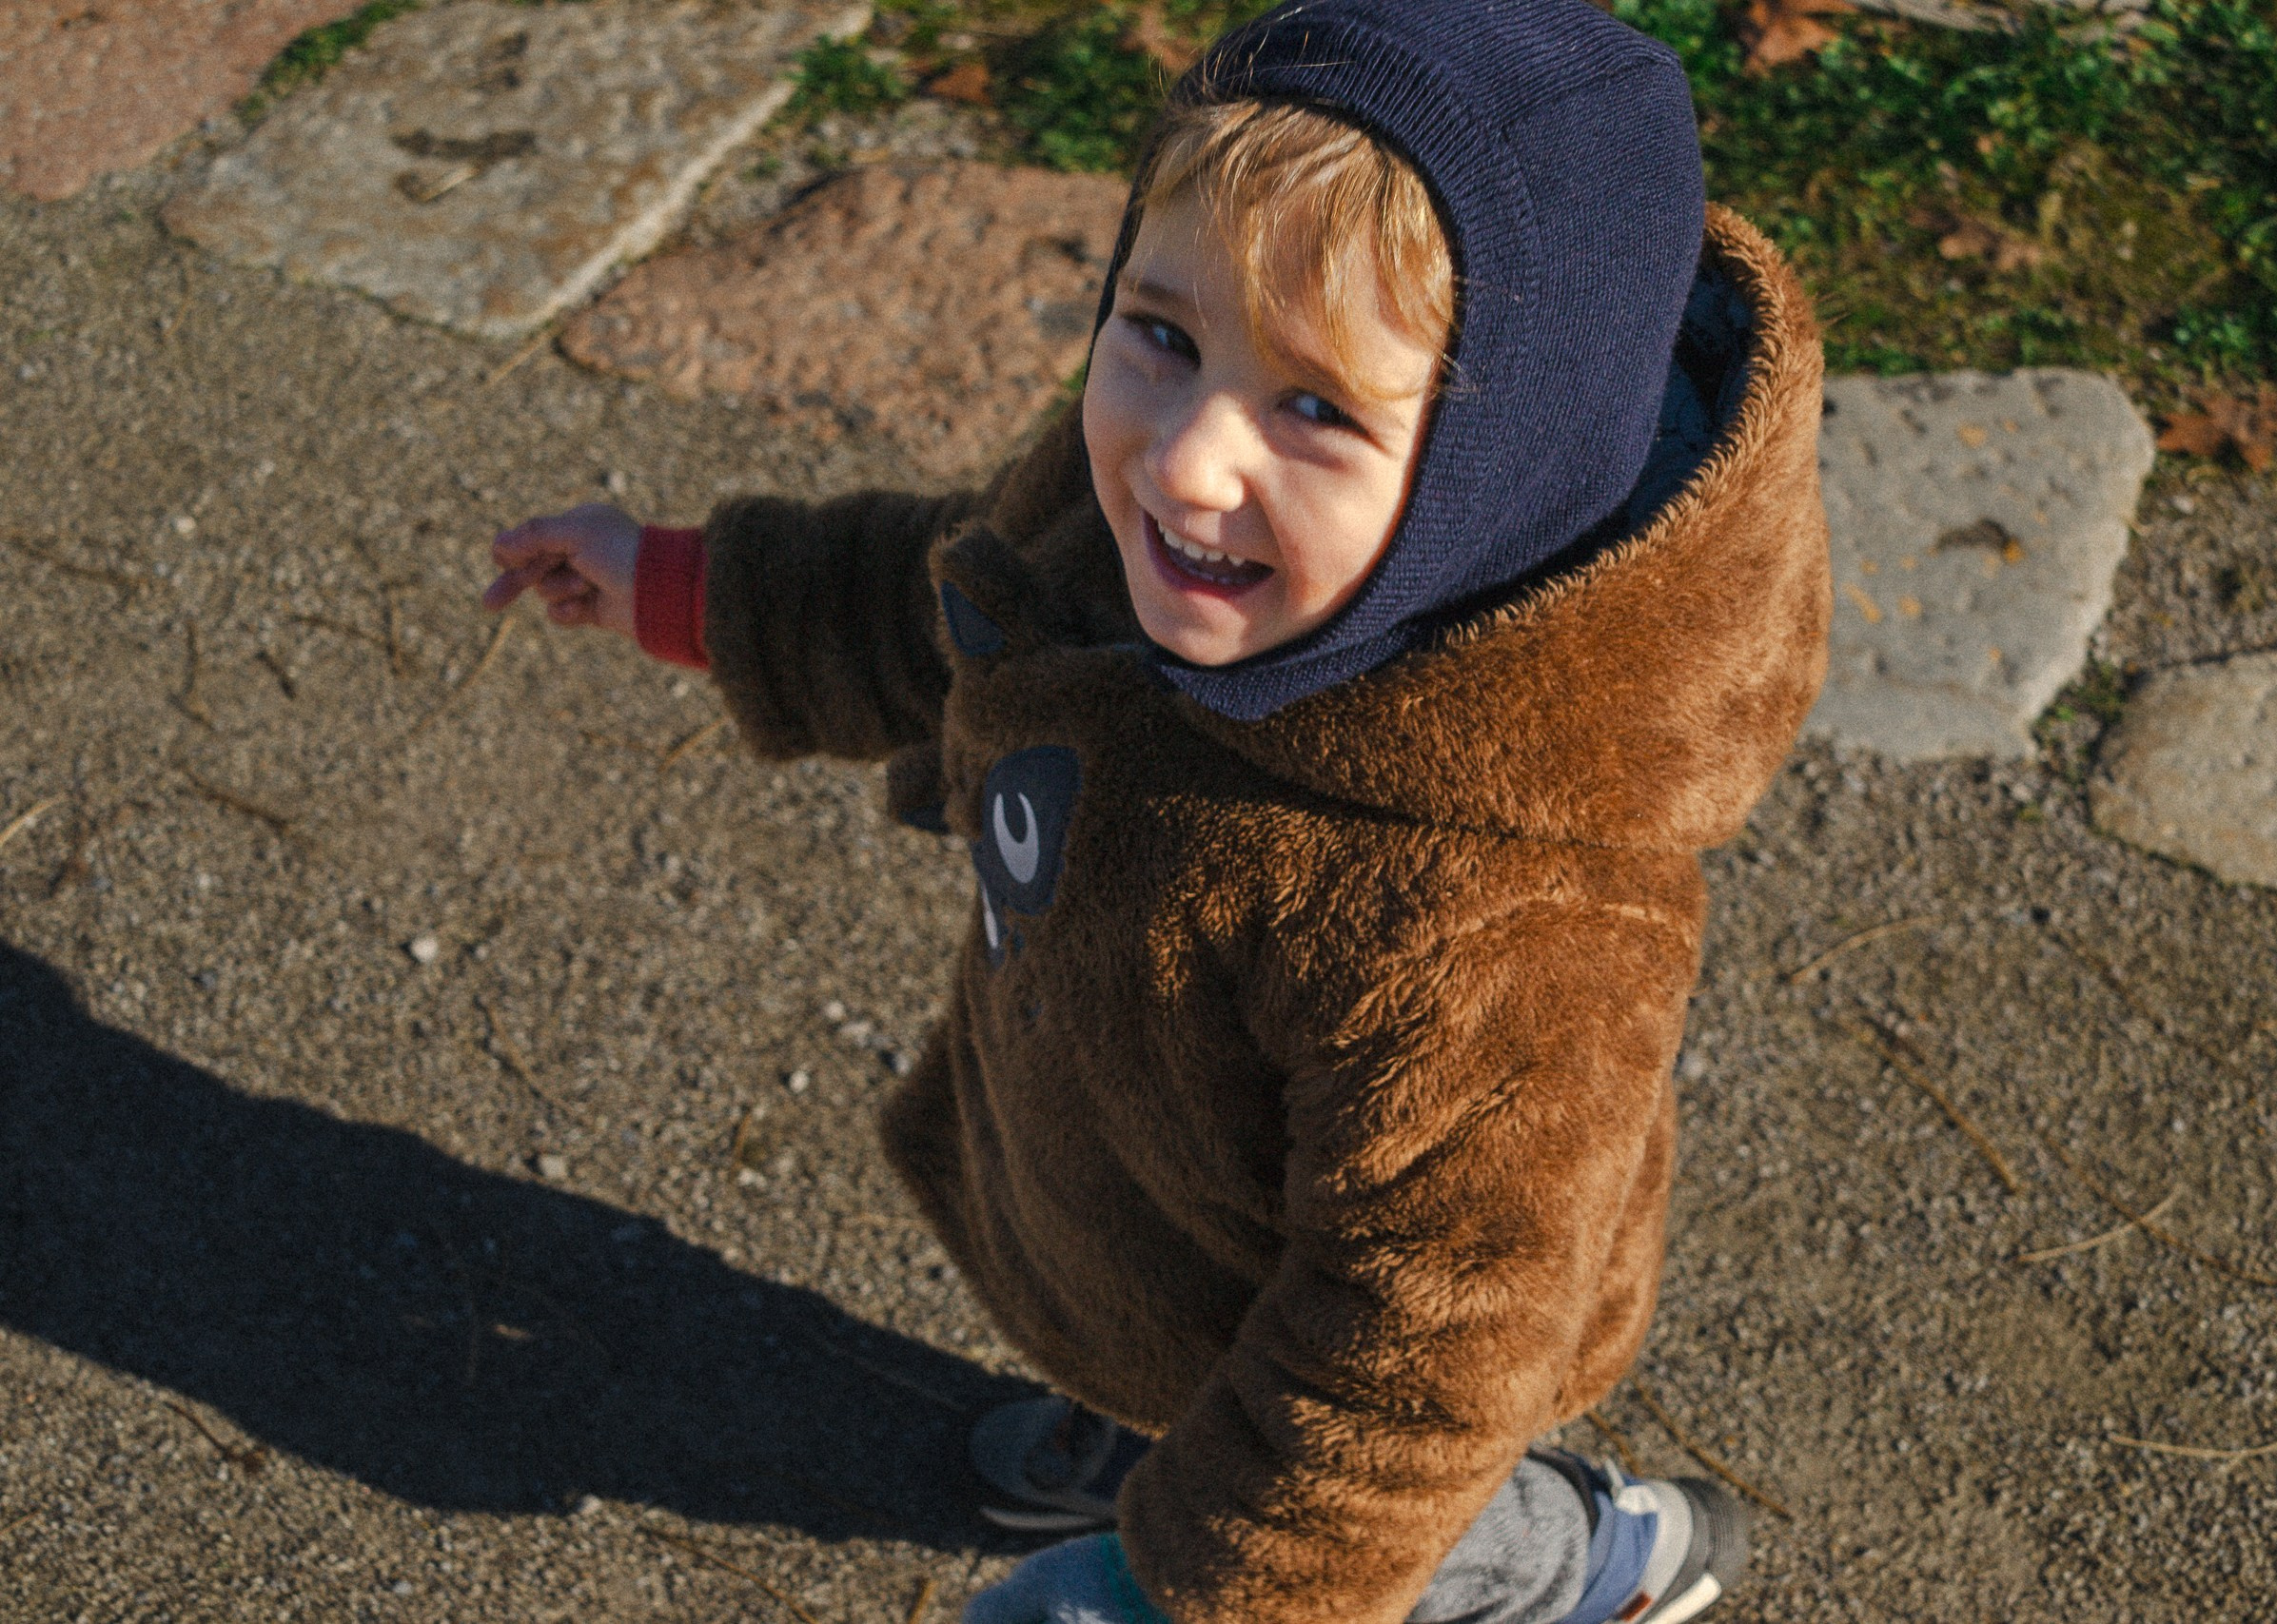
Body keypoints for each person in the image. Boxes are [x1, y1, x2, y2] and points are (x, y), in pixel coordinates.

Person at [482, 2, 1832, 1619]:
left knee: (1397, 1518)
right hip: (1128, 1194)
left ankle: (1593, 1556)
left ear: (1505, 471)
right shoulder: (1176, 536)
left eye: (1320, 410)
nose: (1189, 462)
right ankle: (1145, 1414)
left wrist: (1189, 1590)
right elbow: (958, 603)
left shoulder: (1497, 916)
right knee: (1155, 1336)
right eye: (1161, 335)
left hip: (1359, 1380)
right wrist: (694, 586)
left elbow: (1419, 1356)